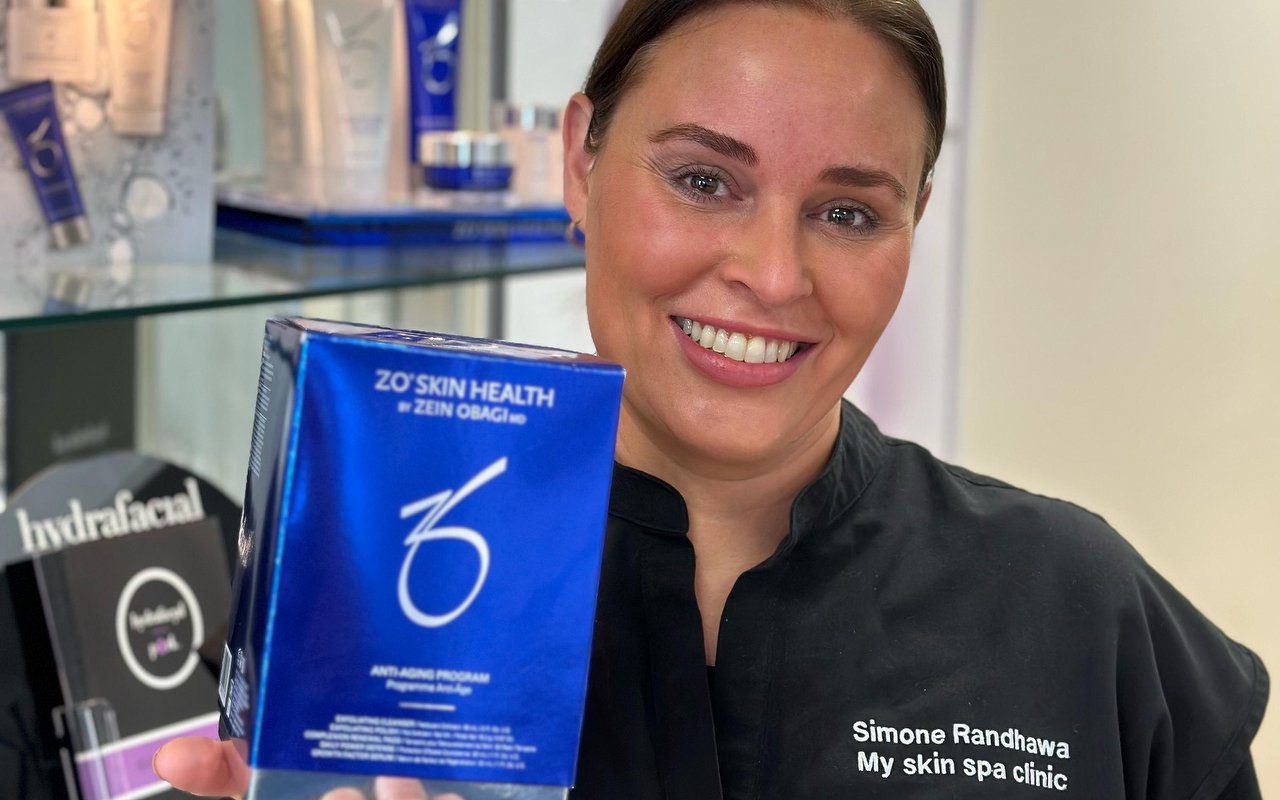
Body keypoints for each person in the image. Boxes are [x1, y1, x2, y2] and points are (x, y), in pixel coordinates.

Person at [154, 0, 1269, 797]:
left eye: (847, 212)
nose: (773, 275)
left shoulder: (1077, 608)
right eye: (702, 180)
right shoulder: (364, 597)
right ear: (579, 162)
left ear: (915, 217)